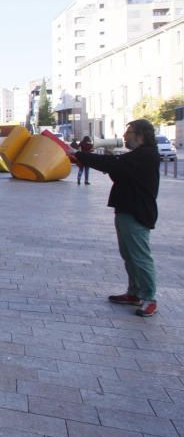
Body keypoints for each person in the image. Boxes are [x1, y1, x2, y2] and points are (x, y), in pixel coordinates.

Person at [75, 120, 160, 318]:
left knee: (139, 256)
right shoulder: (139, 156)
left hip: (136, 211)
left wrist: (81, 155)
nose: (124, 136)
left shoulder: (146, 155)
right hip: (126, 209)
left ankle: (149, 297)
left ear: (140, 135)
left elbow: (114, 165)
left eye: (129, 132)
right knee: (129, 254)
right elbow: (119, 170)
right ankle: (135, 292)